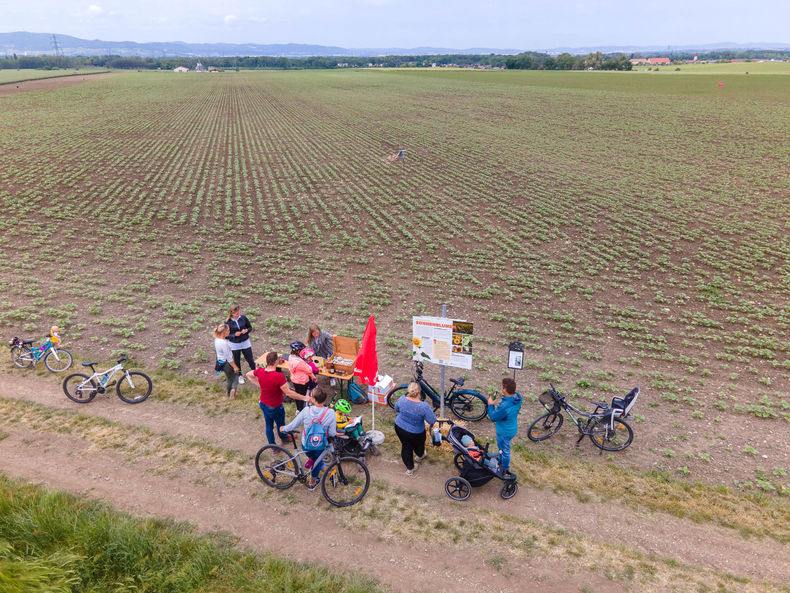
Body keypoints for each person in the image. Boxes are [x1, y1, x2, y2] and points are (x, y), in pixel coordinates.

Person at [280, 387, 336, 490]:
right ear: (324, 399)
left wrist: (284, 429)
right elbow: (332, 433)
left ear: (314, 399)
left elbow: (294, 424)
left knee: (315, 460)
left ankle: (322, 477)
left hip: (306, 444)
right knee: (316, 461)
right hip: (321, 445)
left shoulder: (306, 411)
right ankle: (313, 481)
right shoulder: (331, 413)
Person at [246, 351, 307, 445]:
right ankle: (284, 438)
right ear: (276, 362)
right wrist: (304, 398)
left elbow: (248, 374)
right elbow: (288, 393)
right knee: (280, 424)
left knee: (269, 425)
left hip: (263, 403)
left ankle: (273, 447)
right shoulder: (278, 376)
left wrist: (260, 385)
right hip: (275, 406)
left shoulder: (260, 371)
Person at [394, 382, 437, 476]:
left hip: (399, 427)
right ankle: (420, 456)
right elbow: (432, 420)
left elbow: (396, 409)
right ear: (419, 392)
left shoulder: (402, 399)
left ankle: (410, 469)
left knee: (406, 447)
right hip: (416, 432)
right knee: (419, 444)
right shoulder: (423, 406)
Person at [487, 377, 522, 474]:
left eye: (502, 386)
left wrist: (490, 404)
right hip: (512, 428)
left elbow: (493, 417)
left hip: (504, 431)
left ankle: (505, 469)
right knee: (504, 447)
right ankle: (502, 459)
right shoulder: (518, 397)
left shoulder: (505, 406)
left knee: (505, 449)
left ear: (504, 389)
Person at [226, 305, 255, 384]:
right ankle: (239, 375)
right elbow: (226, 335)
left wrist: (246, 330)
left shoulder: (243, 318)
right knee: (237, 360)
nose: (238, 314)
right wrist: (234, 334)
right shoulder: (227, 322)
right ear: (231, 313)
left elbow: (250, 327)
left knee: (250, 359)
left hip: (245, 341)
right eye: (236, 313)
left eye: (239, 313)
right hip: (234, 344)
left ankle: (256, 373)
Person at [213, 323, 240, 398]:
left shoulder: (217, 340)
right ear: (223, 333)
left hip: (221, 362)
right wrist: (234, 366)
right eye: (228, 331)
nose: (229, 332)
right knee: (235, 375)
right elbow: (228, 357)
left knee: (229, 377)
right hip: (227, 363)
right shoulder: (223, 343)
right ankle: (233, 390)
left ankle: (228, 394)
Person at [288, 341, 316, 412]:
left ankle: (298, 409)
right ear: (297, 351)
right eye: (301, 351)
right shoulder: (299, 362)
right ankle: (302, 409)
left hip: (295, 379)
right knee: (302, 396)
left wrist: (312, 376)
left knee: (297, 394)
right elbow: (309, 370)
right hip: (302, 381)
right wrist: (308, 364)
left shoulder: (291, 357)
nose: (303, 352)